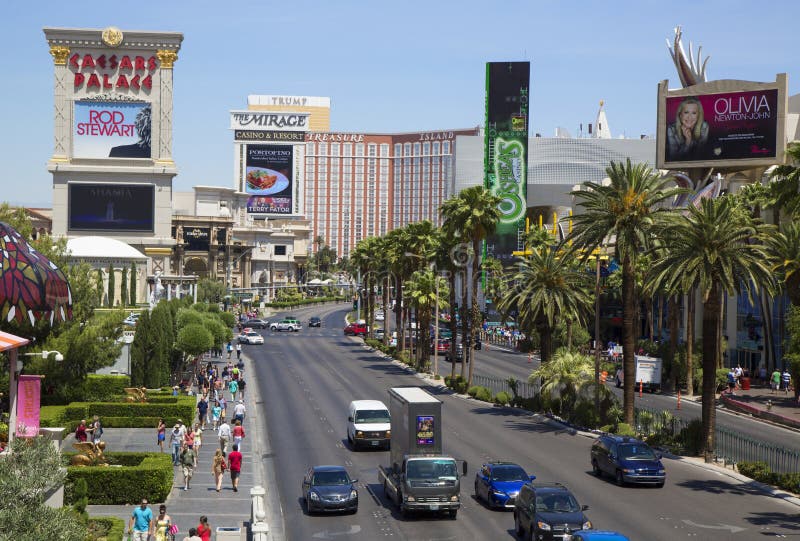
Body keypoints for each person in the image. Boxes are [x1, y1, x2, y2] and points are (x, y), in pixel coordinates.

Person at [666, 97, 709, 161]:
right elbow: (673, 158)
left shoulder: (704, 127)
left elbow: (701, 155)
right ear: (680, 115)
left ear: (698, 116)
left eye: (694, 113)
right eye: (686, 112)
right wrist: (687, 142)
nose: (689, 117)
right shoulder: (672, 130)